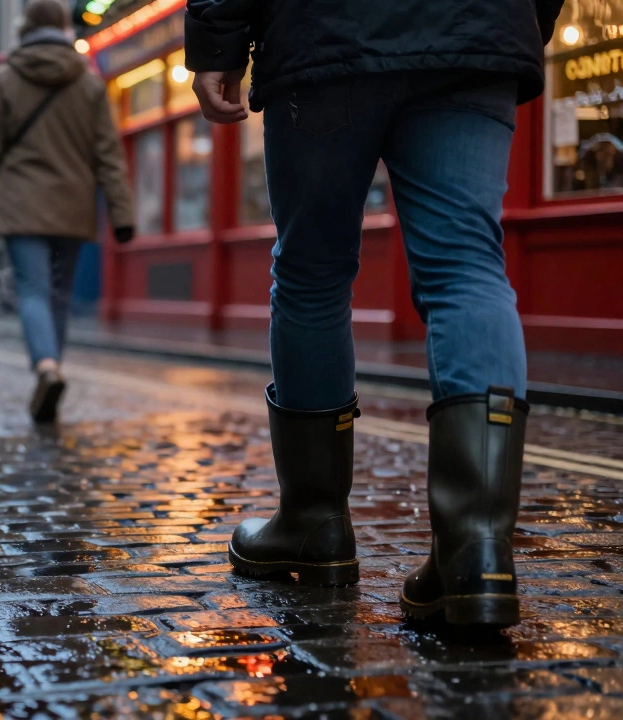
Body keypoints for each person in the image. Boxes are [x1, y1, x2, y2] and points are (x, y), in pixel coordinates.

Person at [186, 0, 565, 627]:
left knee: (312, 276)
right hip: (476, 25)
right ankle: (477, 550)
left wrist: (216, 42)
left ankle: (314, 524)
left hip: (325, 32)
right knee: (466, 267)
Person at [0, 0, 133, 424]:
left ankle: (45, 367)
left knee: (32, 290)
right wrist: (122, 213)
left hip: (20, 203)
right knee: (58, 295)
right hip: (73, 204)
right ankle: (53, 367)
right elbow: (108, 155)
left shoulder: (3, 80)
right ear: (63, 28)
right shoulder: (90, 84)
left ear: (24, 29)